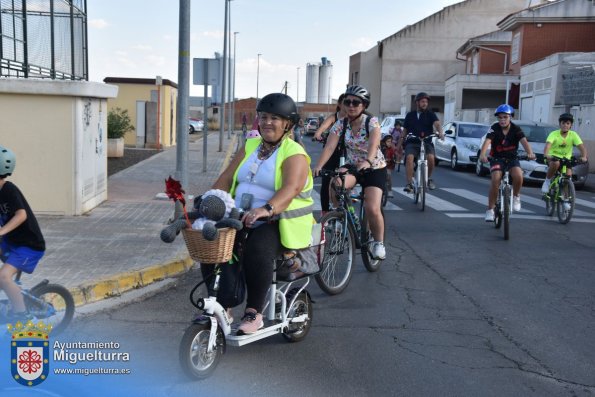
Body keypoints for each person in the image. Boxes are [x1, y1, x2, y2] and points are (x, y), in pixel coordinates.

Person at [208, 93, 314, 335]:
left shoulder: (293, 152)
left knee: (257, 248)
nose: (267, 122)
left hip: (280, 221)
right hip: (240, 215)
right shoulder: (250, 145)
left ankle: (254, 312)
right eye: (263, 117)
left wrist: (266, 209)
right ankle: (224, 304)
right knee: (212, 241)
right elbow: (226, 177)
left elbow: (292, 188)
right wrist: (209, 199)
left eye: (275, 118)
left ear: (288, 123)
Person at [312, 85, 387, 260]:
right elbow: (330, 146)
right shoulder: (341, 123)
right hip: (353, 166)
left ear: (364, 106)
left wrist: (368, 161)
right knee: (335, 182)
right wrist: (319, 166)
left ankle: (378, 243)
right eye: (348, 102)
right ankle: (340, 216)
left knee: (372, 207)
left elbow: (373, 144)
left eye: (356, 102)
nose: (351, 106)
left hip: (374, 166)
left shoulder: (371, 122)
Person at [0, 146, 46, 323]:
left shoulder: (10, 191)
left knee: (3, 276)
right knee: (4, 279)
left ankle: (22, 315)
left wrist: (2, 231)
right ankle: (14, 294)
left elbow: (21, 215)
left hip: (29, 246)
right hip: (11, 242)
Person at [479, 104, 536, 222]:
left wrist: (530, 153)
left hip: (512, 159)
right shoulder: (494, 127)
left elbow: (524, 142)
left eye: (505, 117)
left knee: (519, 175)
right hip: (496, 158)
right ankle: (490, 210)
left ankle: (516, 196)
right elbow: (487, 141)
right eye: (500, 117)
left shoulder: (516, 129)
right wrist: (483, 154)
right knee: (495, 179)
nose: (502, 120)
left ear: (510, 117)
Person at [399, 92, 444, 192]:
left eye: (426, 102)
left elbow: (437, 124)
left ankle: (428, 179)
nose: (425, 104)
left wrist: (440, 132)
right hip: (413, 141)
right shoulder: (410, 115)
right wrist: (399, 144)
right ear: (417, 103)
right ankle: (409, 184)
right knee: (409, 158)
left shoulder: (431, 114)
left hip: (427, 142)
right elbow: (405, 130)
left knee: (431, 158)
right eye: (423, 101)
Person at [313, 93, 347, 214]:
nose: (349, 106)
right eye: (346, 103)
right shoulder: (334, 117)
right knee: (326, 180)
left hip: (347, 153)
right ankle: (325, 212)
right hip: (332, 152)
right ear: (339, 104)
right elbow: (323, 126)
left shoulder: (355, 119)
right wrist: (318, 134)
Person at [541, 113, 588, 193]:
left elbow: (582, 147)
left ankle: (565, 199)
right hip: (552, 157)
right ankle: (547, 181)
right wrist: (546, 155)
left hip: (566, 159)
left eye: (568, 123)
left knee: (568, 177)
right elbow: (548, 146)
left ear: (571, 125)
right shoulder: (554, 134)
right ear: (560, 124)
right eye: (563, 123)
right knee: (556, 163)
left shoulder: (573, 135)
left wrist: (584, 157)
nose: (565, 125)